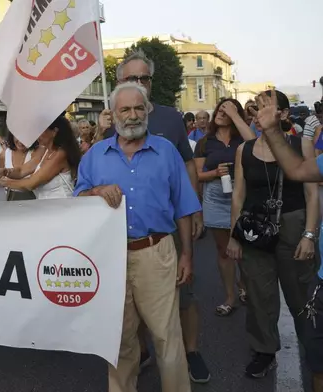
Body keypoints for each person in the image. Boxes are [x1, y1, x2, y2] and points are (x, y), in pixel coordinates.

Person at [75, 82, 200, 392]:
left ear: (147, 110)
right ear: (114, 114)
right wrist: (95, 191)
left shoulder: (166, 151)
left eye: (138, 108)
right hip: (110, 258)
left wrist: (186, 255)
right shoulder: (95, 155)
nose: (132, 115)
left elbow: (184, 206)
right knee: (120, 340)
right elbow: (77, 199)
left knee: (166, 337)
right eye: (125, 109)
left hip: (156, 252)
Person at [98, 49, 208, 382]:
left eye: (143, 79)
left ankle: (192, 353)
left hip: (162, 238)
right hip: (116, 250)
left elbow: (186, 167)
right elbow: (85, 191)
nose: (132, 113)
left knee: (175, 314)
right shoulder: (103, 137)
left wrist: (193, 210)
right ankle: (140, 357)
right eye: (130, 80)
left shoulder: (170, 123)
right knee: (122, 334)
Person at [226, 89, 318, 379]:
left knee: (301, 293)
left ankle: (313, 346)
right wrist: (233, 237)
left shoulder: (298, 145)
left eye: (267, 106)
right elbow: (238, 196)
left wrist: (309, 235)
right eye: (256, 107)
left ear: (283, 114)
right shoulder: (245, 150)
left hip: (292, 226)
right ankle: (264, 350)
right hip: (254, 230)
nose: (259, 111)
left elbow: (313, 194)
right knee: (258, 295)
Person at [194, 99, 256, 316]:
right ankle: (230, 296)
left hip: (243, 197)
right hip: (215, 197)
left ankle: (245, 285)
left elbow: (255, 146)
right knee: (224, 251)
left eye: (227, 110)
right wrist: (213, 173)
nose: (221, 113)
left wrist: (237, 116)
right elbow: (196, 175)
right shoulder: (205, 142)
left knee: (245, 248)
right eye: (219, 109)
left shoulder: (242, 139)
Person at [0, 115, 81, 200]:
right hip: (47, 208)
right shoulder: (44, 151)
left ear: (54, 131)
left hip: (62, 207)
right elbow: (21, 171)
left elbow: (31, 184)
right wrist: (5, 171)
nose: (36, 135)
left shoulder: (60, 154)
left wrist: (3, 182)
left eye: (40, 131)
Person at [0, 131, 43, 201]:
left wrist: (6, 182)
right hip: (11, 198)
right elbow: (1, 178)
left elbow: (23, 174)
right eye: (18, 136)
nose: (21, 142)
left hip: (34, 198)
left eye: (25, 138)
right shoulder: (4, 154)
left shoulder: (38, 151)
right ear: (12, 135)